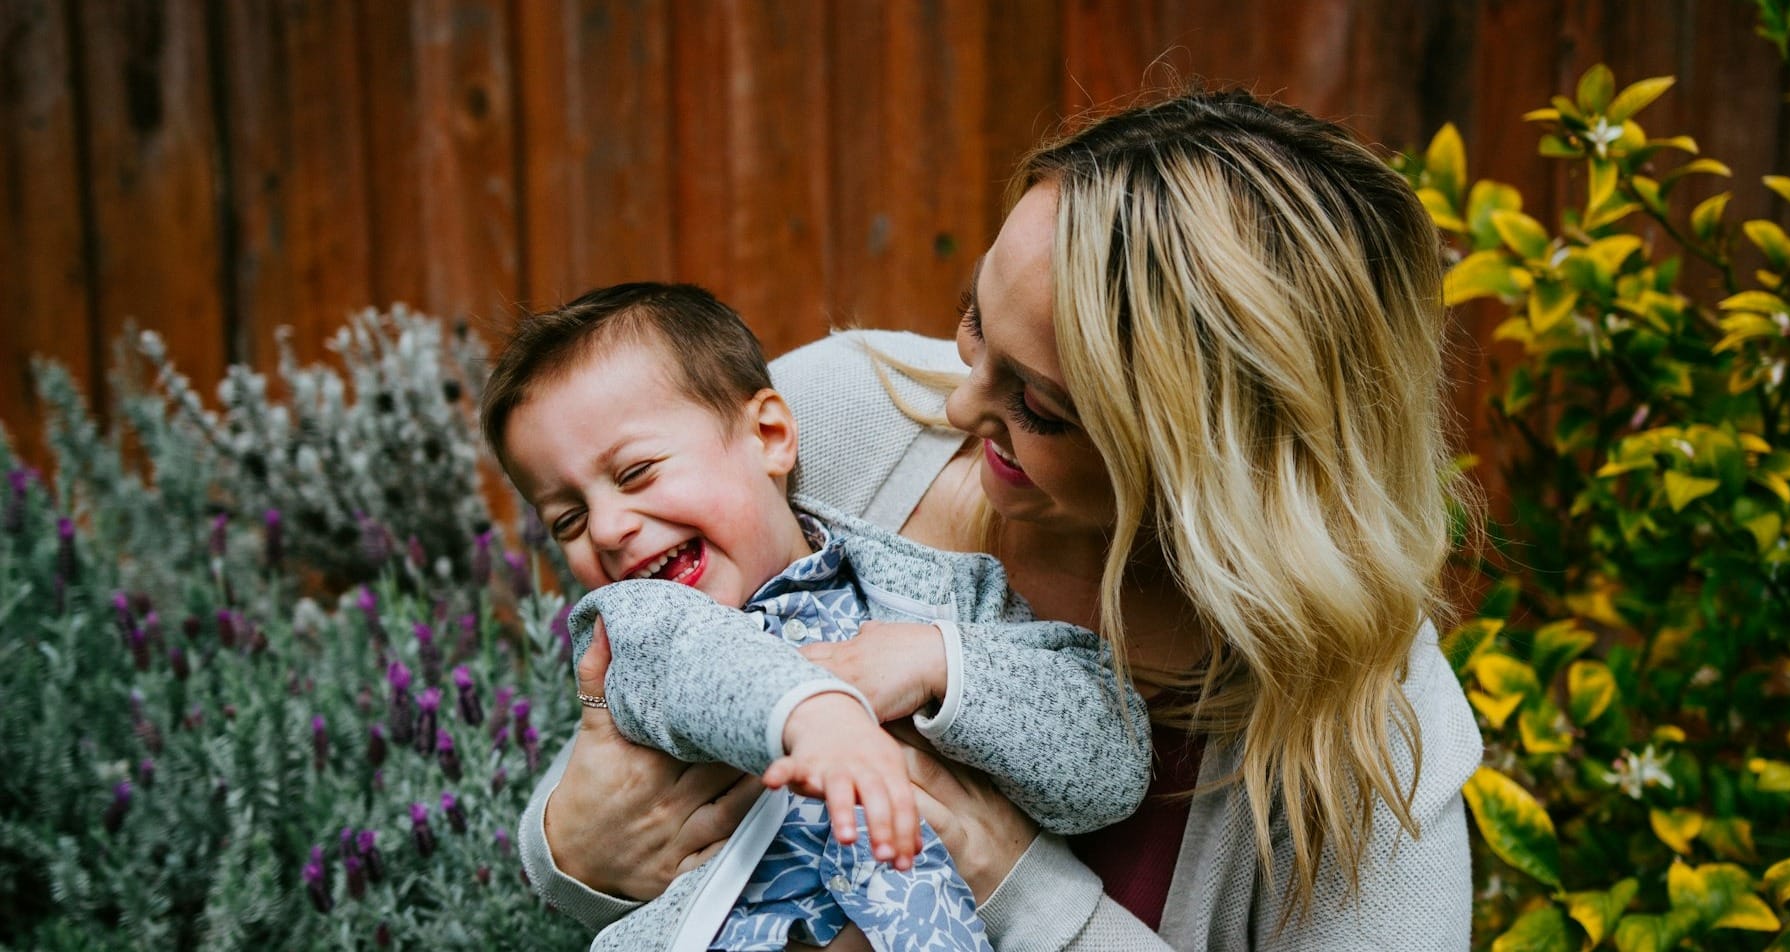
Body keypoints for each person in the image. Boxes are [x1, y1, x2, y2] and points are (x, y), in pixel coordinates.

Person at [519, 87, 1484, 948]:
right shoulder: (840, 417)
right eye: (974, 318)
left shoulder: (1372, 744)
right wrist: (573, 845)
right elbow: (645, 723)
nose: (959, 406)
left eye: (1043, 408)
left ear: (1220, 466)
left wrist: (1011, 880)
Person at [484, 282, 1150, 950]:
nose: (606, 528)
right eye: (566, 519)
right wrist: (812, 713)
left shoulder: (938, 596)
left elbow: (1106, 767)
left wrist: (940, 662)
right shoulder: (638, 632)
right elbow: (700, 664)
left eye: (635, 474)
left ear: (770, 435)